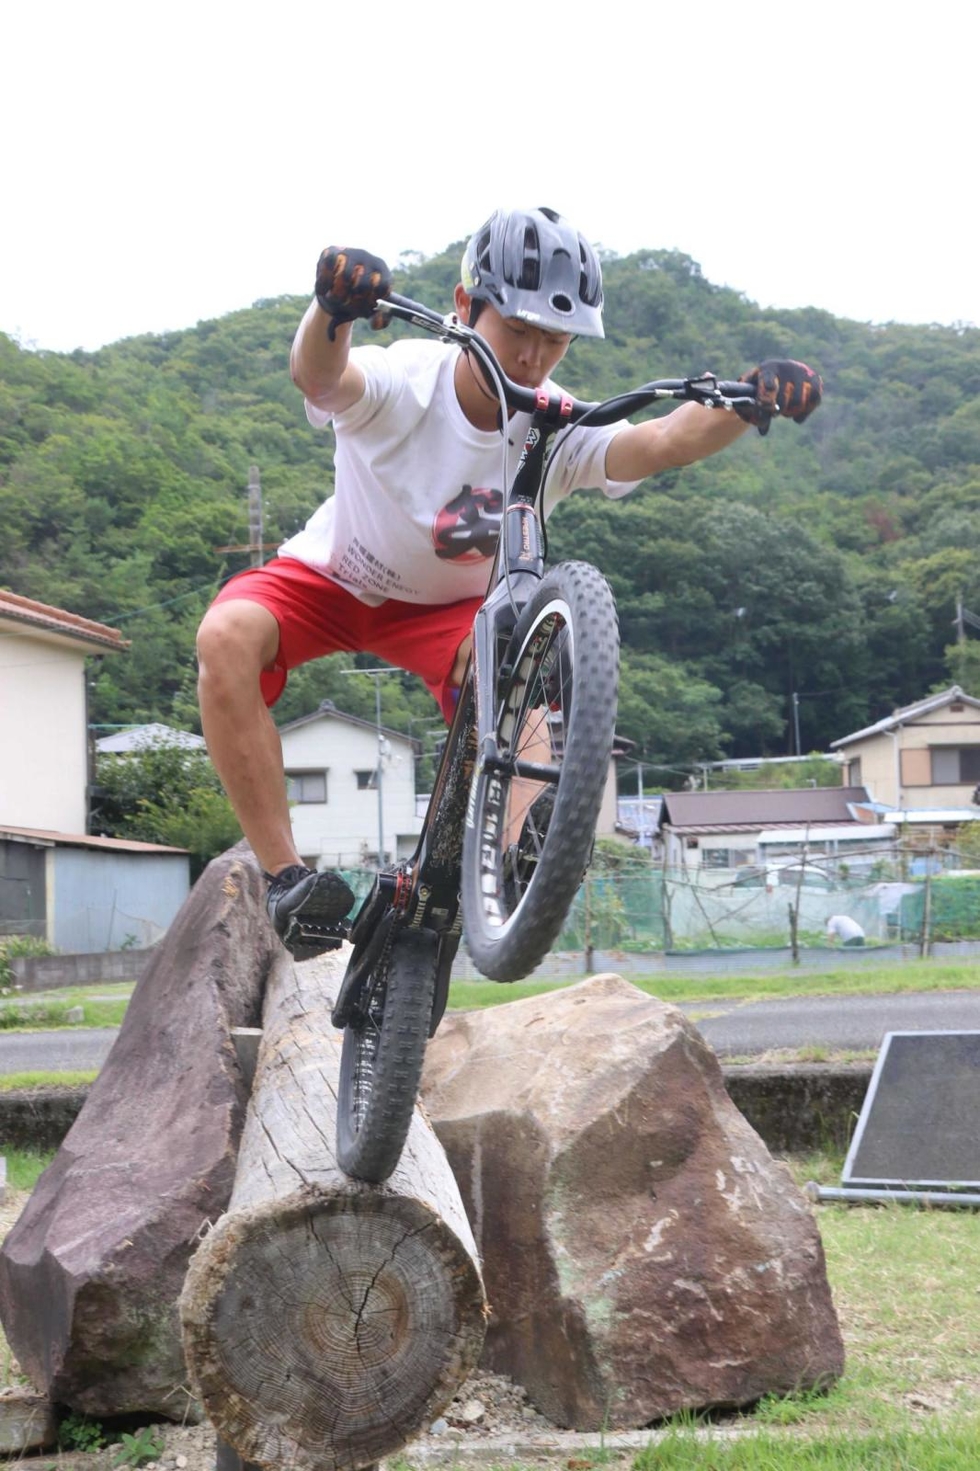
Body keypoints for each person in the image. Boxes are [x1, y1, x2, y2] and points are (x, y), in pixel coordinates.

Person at [196, 206, 823, 959]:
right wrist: (332, 310)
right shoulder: (405, 381)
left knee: (518, 670)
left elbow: (659, 441)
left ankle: (503, 868)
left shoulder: (555, 421)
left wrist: (750, 401)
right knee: (225, 635)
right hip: (336, 577)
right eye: (516, 332)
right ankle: (288, 879)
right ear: (464, 309)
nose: (532, 358)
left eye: (553, 340)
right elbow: (320, 375)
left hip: (454, 617)